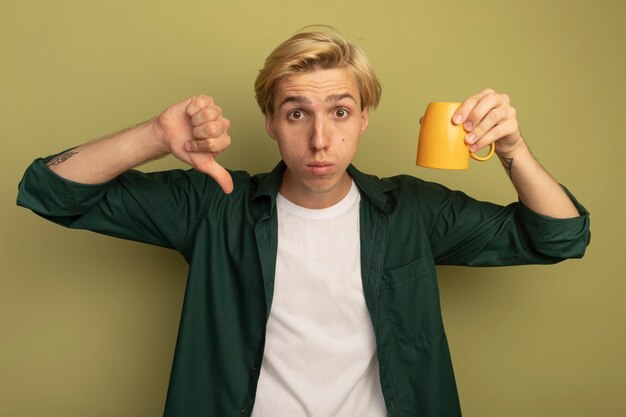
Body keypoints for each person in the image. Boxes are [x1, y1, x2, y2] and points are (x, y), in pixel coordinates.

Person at [17, 30, 590, 417]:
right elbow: (49, 191)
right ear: (269, 121)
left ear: (364, 118)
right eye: (297, 113)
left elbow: (559, 235)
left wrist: (511, 147)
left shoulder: (410, 211)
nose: (320, 139)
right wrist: (153, 137)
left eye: (339, 111)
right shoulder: (215, 204)